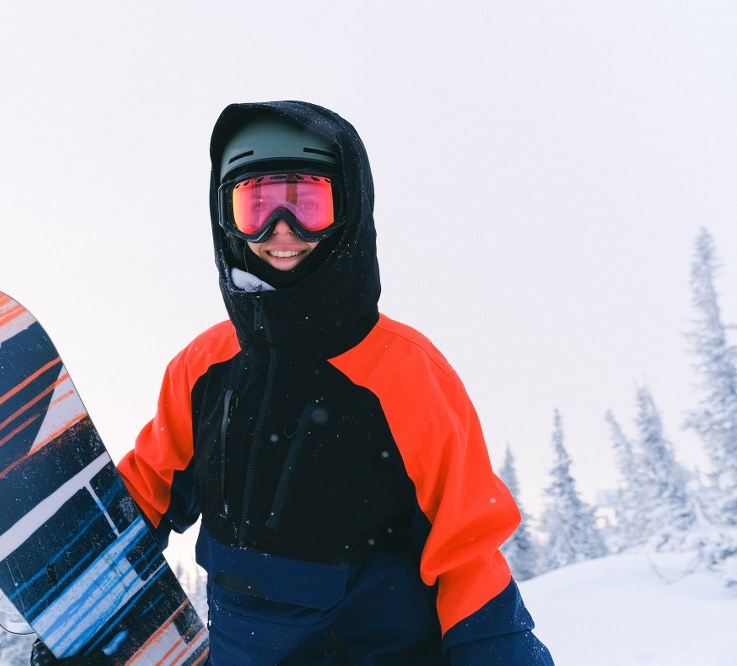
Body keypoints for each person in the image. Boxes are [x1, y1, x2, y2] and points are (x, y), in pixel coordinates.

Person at [33, 101, 554, 664]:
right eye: (256, 206)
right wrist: (66, 586)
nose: (283, 231)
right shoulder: (206, 365)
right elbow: (151, 489)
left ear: (348, 208)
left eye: (308, 203)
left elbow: (467, 555)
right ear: (225, 216)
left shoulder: (406, 371)